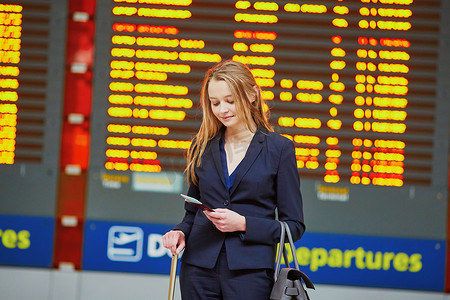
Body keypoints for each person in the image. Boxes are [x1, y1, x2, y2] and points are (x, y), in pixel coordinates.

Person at [162, 59, 305, 300]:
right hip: (197, 268)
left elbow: (294, 226)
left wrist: (244, 224)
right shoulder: (203, 146)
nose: (222, 109)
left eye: (230, 100)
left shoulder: (279, 149)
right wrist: (180, 232)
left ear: (252, 95)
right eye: (215, 102)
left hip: (250, 274)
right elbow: (192, 211)